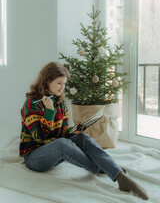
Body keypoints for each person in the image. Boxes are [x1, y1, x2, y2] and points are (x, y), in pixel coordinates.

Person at [19, 61, 148, 200]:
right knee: (63, 143)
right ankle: (104, 169)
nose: (62, 88)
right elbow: (40, 137)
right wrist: (49, 112)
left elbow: (62, 129)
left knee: (82, 138)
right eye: (59, 83)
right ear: (47, 81)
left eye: (64, 83)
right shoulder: (31, 103)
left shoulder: (59, 102)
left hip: (55, 153)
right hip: (35, 158)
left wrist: (73, 131)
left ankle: (119, 175)